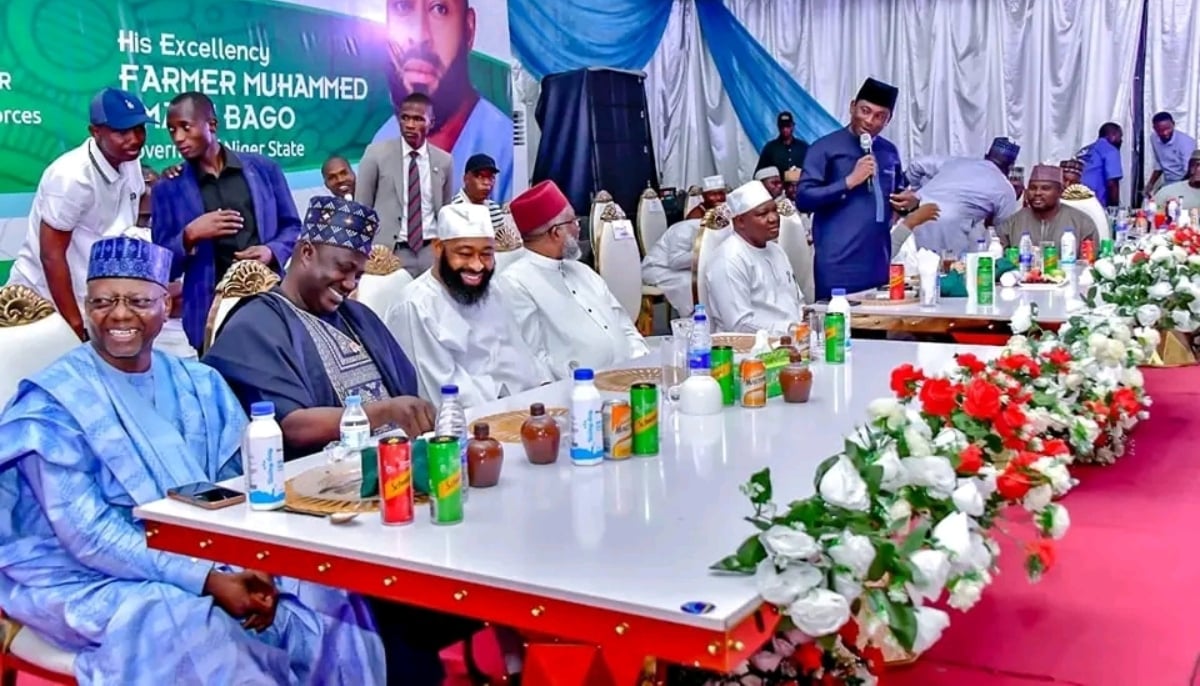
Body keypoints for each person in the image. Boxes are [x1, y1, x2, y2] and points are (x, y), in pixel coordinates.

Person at [0, 236, 386, 685]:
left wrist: (254, 557)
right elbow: (87, 534)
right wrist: (205, 578)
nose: (120, 315)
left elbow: (240, 486)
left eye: (139, 300)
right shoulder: (54, 402)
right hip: (88, 572)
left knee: (323, 589)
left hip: (209, 548)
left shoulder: (199, 383)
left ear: (168, 305)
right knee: (188, 622)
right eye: (104, 301)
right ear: (87, 307)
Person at [203, 195, 434, 460]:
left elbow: (405, 387)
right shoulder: (253, 325)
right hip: (309, 482)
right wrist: (384, 412)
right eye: (344, 268)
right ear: (307, 253)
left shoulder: (358, 316)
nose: (350, 284)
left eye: (358, 275)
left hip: (392, 466)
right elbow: (291, 427)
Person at [151, 92, 301, 351]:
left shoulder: (264, 169)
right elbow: (162, 266)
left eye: (185, 127)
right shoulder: (168, 187)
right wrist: (189, 235)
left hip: (270, 300)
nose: (178, 138)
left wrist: (271, 251)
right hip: (210, 314)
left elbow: (292, 226)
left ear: (212, 125)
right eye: (172, 130)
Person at [9, 87, 151, 342]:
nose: (135, 138)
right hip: (43, 305)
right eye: (122, 132)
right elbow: (51, 256)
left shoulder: (130, 161)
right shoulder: (72, 176)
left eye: (140, 129)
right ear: (95, 132)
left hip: (93, 299)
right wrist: (73, 323)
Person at [386, 203, 551, 407]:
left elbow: (518, 354)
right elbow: (442, 395)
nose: (477, 265)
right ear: (438, 248)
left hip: (520, 408)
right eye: (465, 254)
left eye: (486, 254)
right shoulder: (415, 306)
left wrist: (543, 392)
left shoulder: (491, 290)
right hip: (467, 423)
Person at [496, 180, 649, 379]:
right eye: (573, 221)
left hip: (630, 377)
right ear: (555, 232)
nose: (578, 229)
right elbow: (534, 359)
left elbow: (624, 324)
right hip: (581, 393)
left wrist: (640, 361)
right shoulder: (515, 283)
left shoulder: (582, 270)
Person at [374, 0, 514, 201]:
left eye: (440, 9)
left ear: (468, 28)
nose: (420, 36)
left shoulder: (504, 148)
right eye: (402, 7)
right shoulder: (383, 142)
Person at [796, 77, 918, 300]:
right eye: (865, 110)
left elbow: (898, 197)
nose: (870, 120)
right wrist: (849, 181)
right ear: (852, 107)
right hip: (838, 264)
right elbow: (803, 199)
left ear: (888, 121)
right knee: (837, 328)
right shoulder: (825, 148)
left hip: (878, 261)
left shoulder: (889, 152)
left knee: (878, 327)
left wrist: (911, 204)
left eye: (880, 116)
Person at [358, 92, 454, 278]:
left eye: (418, 119)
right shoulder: (376, 154)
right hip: (388, 252)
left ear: (431, 122)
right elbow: (362, 208)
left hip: (430, 251)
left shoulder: (444, 161)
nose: (410, 125)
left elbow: (445, 211)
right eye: (405, 118)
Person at [704, 181, 803, 334]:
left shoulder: (776, 250)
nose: (773, 218)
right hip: (750, 350)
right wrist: (789, 330)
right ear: (740, 221)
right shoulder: (729, 259)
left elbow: (797, 301)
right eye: (763, 214)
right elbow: (739, 324)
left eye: (774, 211)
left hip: (795, 340)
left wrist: (809, 320)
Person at [902, 137, 1024, 255]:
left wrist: (916, 193)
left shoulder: (958, 161)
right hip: (947, 226)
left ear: (986, 156)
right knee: (949, 272)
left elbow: (916, 164)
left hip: (914, 215)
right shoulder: (1005, 188)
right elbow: (1002, 232)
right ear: (1011, 166)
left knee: (913, 269)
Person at [996, 165, 1098, 250]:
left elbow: (1090, 265)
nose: (1037, 193)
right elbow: (998, 260)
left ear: (1060, 191)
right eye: (1033, 188)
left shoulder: (1083, 223)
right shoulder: (1012, 223)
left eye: (1045, 188)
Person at [450, 153, 522, 251]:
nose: (486, 183)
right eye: (480, 177)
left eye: (491, 177)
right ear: (466, 178)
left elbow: (503, 242)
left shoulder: (493, 208)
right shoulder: (454, 210)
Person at [641, 218, 702, 316]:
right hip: (656, 268)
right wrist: (702, 253)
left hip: (679, 270)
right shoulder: (684, 230)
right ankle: (691, 320)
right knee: (688, 281)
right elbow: (675, 261)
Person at [1147, 112, 1196, 194]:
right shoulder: (1154, 138)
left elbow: (1189, 171)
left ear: (1173, 124)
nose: (1165, 133)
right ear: (1154, 128)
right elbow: (1159, 164)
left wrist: (1173, 190)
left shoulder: (1186, 142)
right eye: (1160, 130)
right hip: (1168, 182)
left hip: (1184, 182)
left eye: (1167, 129)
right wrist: (1150, 184)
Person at [1077, 122, 1123, 208]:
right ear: (1113, 135)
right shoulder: (1111, 150)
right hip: (1094, 202)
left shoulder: (1085, 150)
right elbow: (1112, 183)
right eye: (1120, 136)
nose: (1121, 140)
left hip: (1074, 197)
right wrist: (1114, 208)